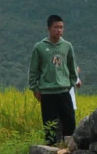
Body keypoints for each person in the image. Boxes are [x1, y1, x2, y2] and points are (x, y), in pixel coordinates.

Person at [27, 13, 80, 142]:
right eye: (56, 27)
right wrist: (35, 88)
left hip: (63, 91)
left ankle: (68, 151)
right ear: (49, 29)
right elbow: (33, 70)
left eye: (61, 27)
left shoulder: (67, 46)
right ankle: (49, 152)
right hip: (47, 92)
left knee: (69, 122)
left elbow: (72, 67)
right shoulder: (39, 47)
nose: (59, 30)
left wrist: (71, 83)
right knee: (50, 125)